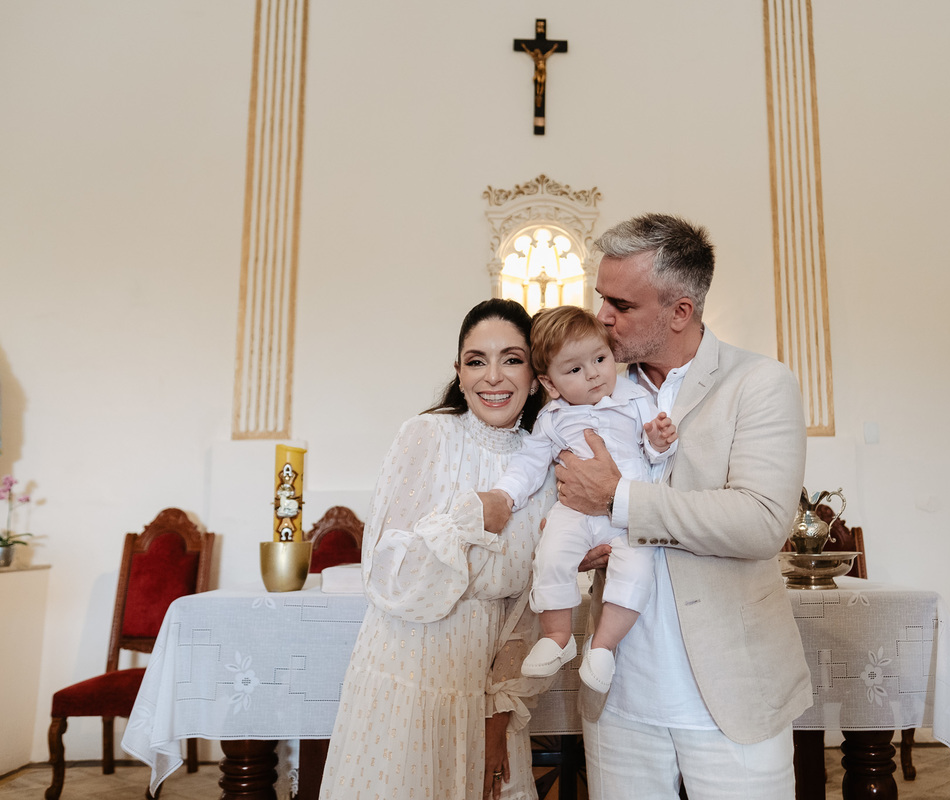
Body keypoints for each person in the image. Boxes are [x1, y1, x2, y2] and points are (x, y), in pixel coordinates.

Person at [553, 213, 811, 799]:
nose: (603, 318)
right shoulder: (596, 386)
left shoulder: (758, 383)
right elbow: (563, 490)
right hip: (620, 694)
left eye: (622, 304)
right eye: (601, 298)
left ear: (680, 311)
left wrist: (619, 499)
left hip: (730, 693)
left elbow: (760, 522)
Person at [320, 299, 555, 800]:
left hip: (485, 693)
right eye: (476, 360)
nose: (493, 376)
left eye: (512, 359)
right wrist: (468, 518)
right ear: (459, 372)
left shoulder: (543, 467)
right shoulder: (426, 435)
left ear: (535, 376)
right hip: (406, 675)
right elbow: (389, 575)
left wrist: (498, 722)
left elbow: (525, 612)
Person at [480, 305, 678, 694]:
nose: (593, 374)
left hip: (627, 513)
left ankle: (603, 645)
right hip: (572, 512)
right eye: (574, 370)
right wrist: (504, 495)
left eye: (600, 359)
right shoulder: (553, 418)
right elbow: (529, 464)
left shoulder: (635, 400)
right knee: (551, 553)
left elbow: (657, 460)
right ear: (549, 383)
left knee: (637, 569)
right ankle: (557, 636)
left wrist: (658, 442)